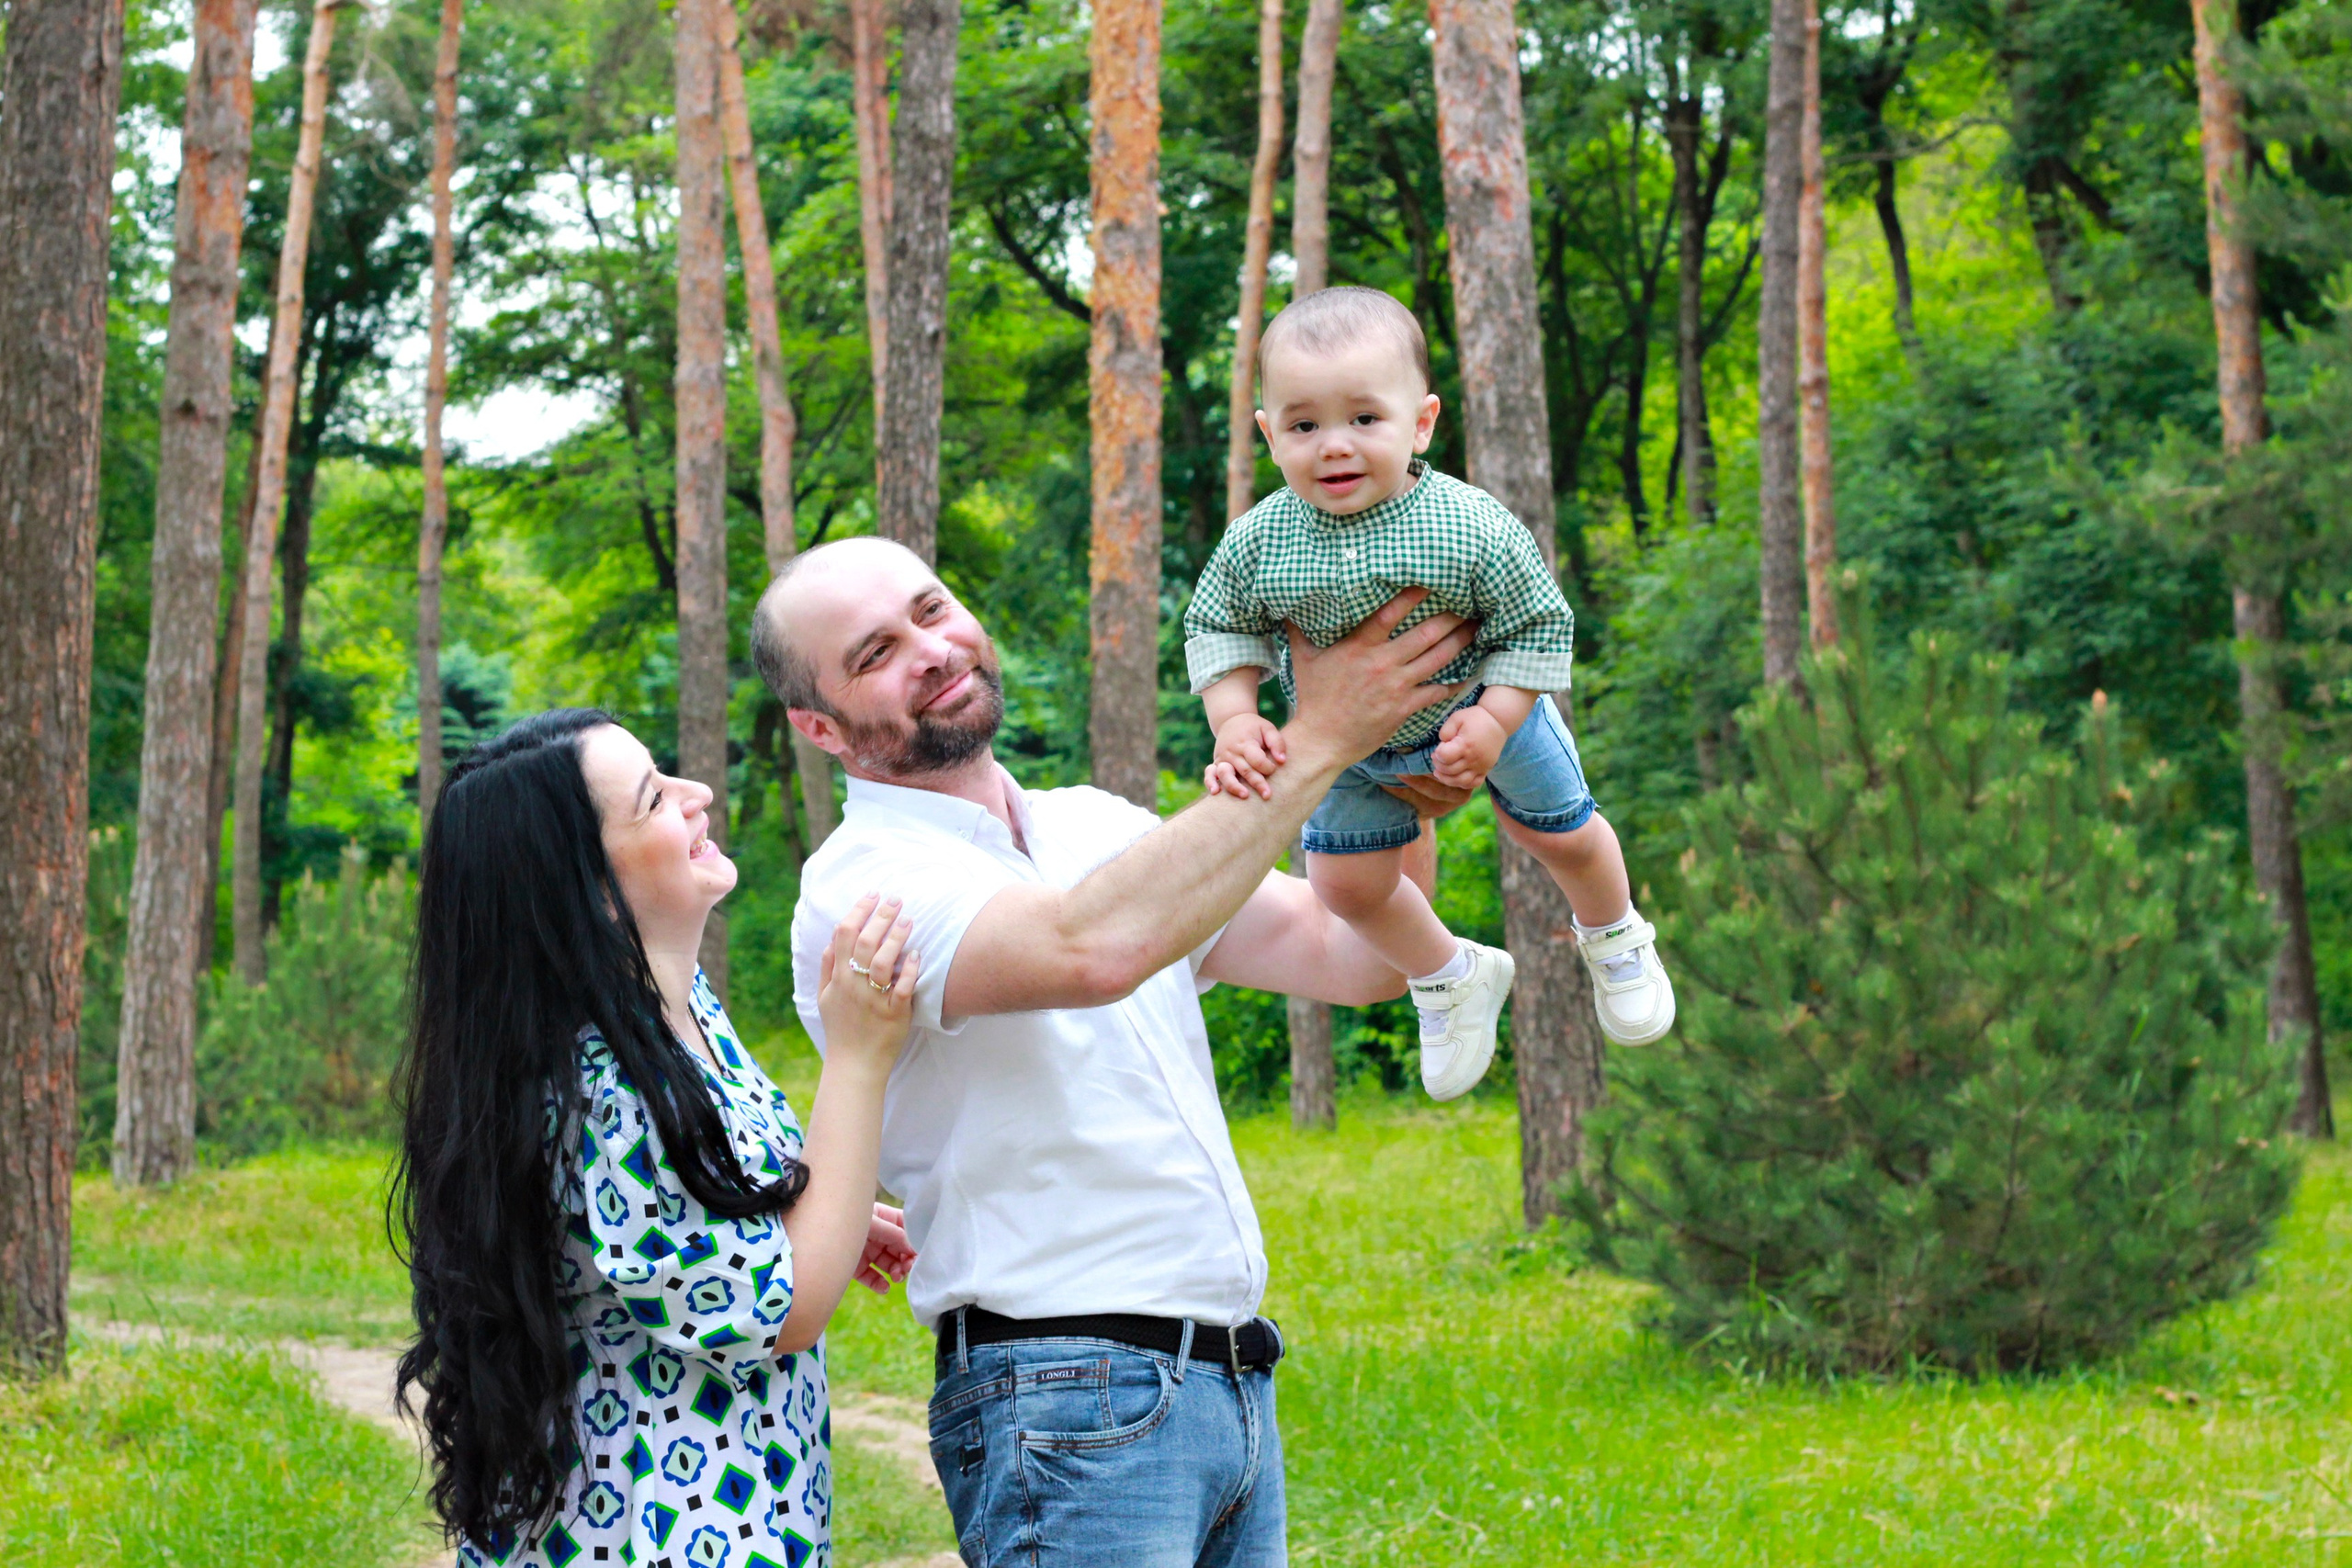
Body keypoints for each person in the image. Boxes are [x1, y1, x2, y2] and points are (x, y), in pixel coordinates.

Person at [751, 536, 1478, 1568]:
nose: (929, 648)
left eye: (932, 608)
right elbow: (1089, 949)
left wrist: (1392, 766)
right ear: (820, 727)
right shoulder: (860, 885)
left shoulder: (1094, 825)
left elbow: (1351, 954)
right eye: (874, 653)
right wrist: (1321, 732)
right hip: (1062, 1396)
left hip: (1229, 1381)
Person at [393, 707, 921, 1568]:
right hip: (661, 1534)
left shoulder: (675, 1012)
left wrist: (818, 1213)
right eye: (653, 800)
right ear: (592, 890)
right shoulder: (604, 1080)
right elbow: (780, 1309)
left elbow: (691, 1223)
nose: (698, 794)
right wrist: (859, 1055)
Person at [1185, 284, 1677, 1101]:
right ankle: (1448, 973)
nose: (1333, 446)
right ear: (1269, 435)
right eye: (1304, 425)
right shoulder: (1258, 540)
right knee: (1342, 886)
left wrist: (1494, 720)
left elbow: (1537, 627)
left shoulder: (1468, 523)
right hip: (1347, 744)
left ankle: (1615, 931)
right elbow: (1219, 630)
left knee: (1562, 834)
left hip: (1493, 711)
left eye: (1364, 419)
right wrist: (1235, 719)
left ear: (1421, 422)